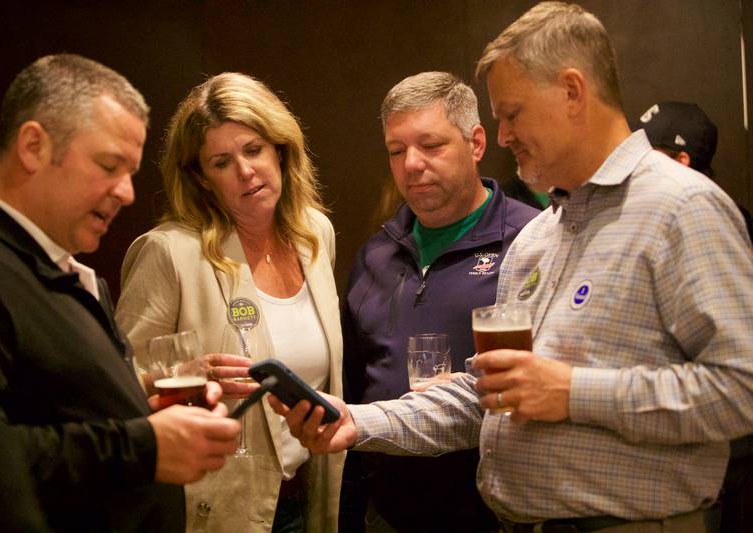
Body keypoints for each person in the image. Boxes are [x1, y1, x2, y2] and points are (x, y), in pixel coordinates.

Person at [270, 3, 753, 532]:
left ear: (572, 91)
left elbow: (742, 392)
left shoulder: (681, 208)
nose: (500, 137)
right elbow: (489, 394)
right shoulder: (542, 236)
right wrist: (358, 420)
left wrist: (571, 392)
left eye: (512, 113)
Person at [0, 54, 240, 532]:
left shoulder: (63, 270)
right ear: (32, 146)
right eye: (109, 165)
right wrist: (144, 446)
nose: (127, 193)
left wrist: (136, 402)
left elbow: (49, 411)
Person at [115, 72, 344, 533]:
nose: (245, 171)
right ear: (200, 178)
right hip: (216, 509)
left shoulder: (315, 233)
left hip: (308, 496)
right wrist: (183, 379)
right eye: (222, 161)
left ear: (281, 149)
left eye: (254, 150)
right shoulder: (170, 252)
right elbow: (115, 389)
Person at [340, 71, 537, 533]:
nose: (411, 164)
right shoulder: (376, 254)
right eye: (396, 150)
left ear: (476, 143)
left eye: (430, 146)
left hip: (492, 513)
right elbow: (353, 382)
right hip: (388, 512)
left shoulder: (531, 240)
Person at [634, 100, 753, 532]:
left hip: (716, 450)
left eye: (649, 154)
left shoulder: (711, 218)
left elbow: (735, 372)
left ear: (683, 160)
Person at [634, 100, 753, 240]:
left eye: (648, 153)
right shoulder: (638, 208)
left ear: (680, 161)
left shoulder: (715, 222)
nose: (635, 159)